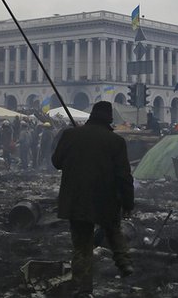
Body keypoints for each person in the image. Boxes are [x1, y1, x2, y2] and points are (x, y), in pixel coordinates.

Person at [52, 101, 134, 296]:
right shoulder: (116, 142)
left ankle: (83, 288)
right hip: (105, 198)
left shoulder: (70, 135)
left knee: (82, 245)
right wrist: (128, 203)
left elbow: (57, 162)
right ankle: (124, 263)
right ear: (110, 119)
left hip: (77, 197)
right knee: (113, 229)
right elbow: (124, 176)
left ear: (91, 115)